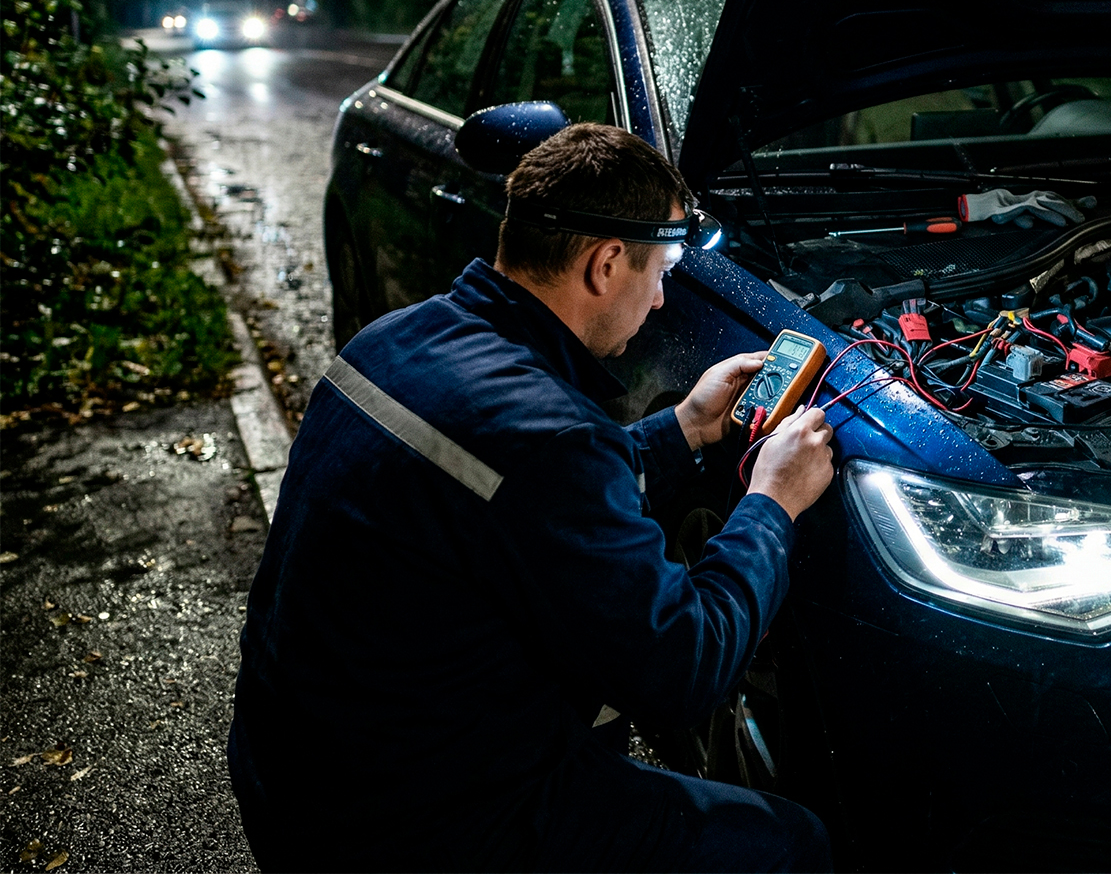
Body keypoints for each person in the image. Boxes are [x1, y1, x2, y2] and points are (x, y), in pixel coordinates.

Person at [228, 123, 836, 872]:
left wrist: (684, 428)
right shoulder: (549, 439)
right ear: (606, 263)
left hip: (292, 774)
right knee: (790, 845)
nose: (660, 299)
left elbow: (520, 498)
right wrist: (773, 502)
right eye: (664, 268)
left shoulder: (392, 340)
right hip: (410, 825)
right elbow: (685, 666)